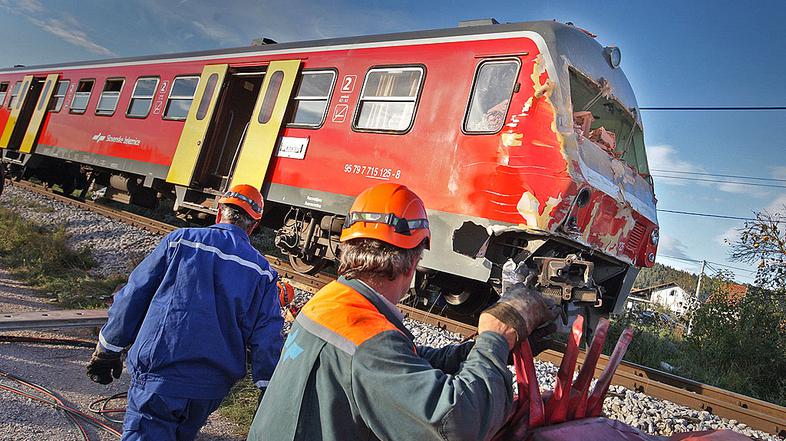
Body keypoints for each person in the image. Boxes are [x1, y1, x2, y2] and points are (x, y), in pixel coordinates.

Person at [247, 183, 559, 441]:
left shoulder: (331, 300)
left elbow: (407, 362)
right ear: (412, 263)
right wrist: (494, 338)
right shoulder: (368, 344)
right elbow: (457, 424)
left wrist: (489, 348)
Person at [86, 184, 284, 441]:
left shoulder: (180, 241)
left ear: (219, 212)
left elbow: (134, 294)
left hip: (160, 375)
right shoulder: (263, 272)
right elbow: (268, 335)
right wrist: (267, 389)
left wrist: (108, 349)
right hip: (210, 389)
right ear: (253, 226)